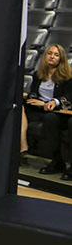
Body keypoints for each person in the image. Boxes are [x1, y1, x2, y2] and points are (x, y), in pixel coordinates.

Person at [22, 43, 72, 178]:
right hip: (40, 110)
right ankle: (23, 147)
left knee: (51, 118)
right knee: (17, 106)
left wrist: (53, 102)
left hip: (58, 112)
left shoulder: (67, 76)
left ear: (61, 59)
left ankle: (62, 163)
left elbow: (69, 96)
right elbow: (33, 93)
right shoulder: (38, 74)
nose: (52, 57)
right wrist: (31, 98)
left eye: (56, 55)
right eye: (50, 53)